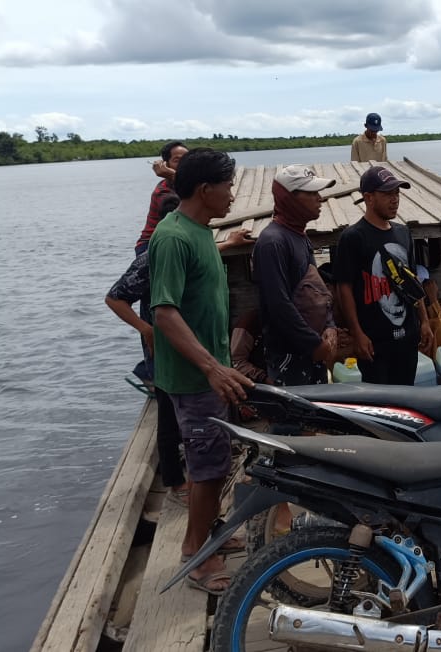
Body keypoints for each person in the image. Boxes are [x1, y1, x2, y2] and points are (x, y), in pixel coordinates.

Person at [148, 147, 254, 596]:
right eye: (228, 186)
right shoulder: (171, 238)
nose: (233, 194)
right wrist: (212, 367)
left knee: (214, 461)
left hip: (210, 373)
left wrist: (227, 246)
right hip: (194, 378)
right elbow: (165, 312)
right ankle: (196, 555)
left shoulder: (196, 230)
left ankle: (212, 535)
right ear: (205, 189)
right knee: (206, 468)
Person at [335, 166, 433, 384]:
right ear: (369, 198)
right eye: (388, 194)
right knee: (382, 406)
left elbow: (412, 281)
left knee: (407, 399)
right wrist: (357, 333)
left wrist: (424, 322)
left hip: (407, 338)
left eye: (397, 193)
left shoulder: (403, 233)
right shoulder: (353, 237)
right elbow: (344, 289)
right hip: (374, 342)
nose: (395, 199)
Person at [251, 165, 340, 386]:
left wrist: (329, 326)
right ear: (289, 198)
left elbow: (317, 290)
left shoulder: (300, 237)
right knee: (293, 417)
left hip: (312, 350)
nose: (319, 198)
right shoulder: (273, 242)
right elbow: (278, 305)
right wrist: (313, 344)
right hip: (289, 355)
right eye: (311, 193)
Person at [136, 140, 188, 254]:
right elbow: (186, 214)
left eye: (187, 159)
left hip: (175, 239)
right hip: (150, 245)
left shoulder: (191, 182)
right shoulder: (163, 193)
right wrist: (174, 176)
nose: (184, 164)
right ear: (166, 165)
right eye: (177, 160)